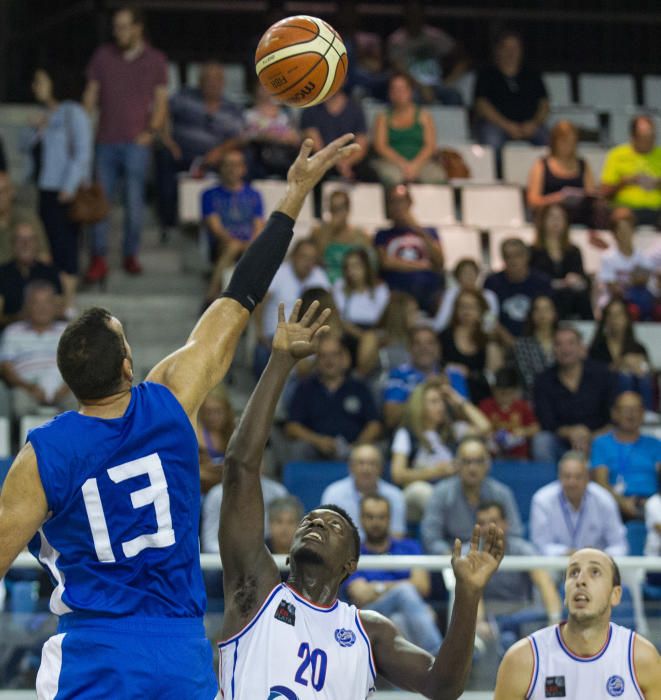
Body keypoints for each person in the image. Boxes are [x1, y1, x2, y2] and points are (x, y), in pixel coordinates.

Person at [0, 133, 362, 697]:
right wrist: (293, 196)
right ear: (127, 365)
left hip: (94, 653)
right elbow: (241, 295)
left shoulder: (43, 453)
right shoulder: (168, 400)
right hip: (178, 654)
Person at [217, 297, 505, 700]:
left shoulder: (368, 631)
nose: (316, 522)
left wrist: (469, 594)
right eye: (310, 520)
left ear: (350, 564)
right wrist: (281, 362)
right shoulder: (258, 591)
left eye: (333, 525)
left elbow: (443, 686)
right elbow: (240, 467)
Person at [493, 548, 661, 699]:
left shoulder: (641, 658)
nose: (580, 580)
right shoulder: (522, 659)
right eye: (573, 573)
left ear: (615, 595)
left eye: (595, 572)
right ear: (565, 593)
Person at [83, 5, 169, 280]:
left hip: (136, 142)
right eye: (115, 26)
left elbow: (161, 101)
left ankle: (130, 254)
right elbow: (91, 95)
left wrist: (151, 132)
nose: (117, 32)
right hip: (105, 141)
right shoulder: (102, 56)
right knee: (100, 204)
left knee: (134, 204)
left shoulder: (156, 59)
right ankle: (98, 258)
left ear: (137, 28)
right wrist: (84, 127)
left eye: (123, 26)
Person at [154, 61, 245, 235]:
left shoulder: (231, 108)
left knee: (242, 158)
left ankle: (237, 216)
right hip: (182, 153)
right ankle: (168, 222)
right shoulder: (184, 97)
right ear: (200, 81)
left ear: (223, 82)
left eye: (216, 79)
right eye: (207, 79)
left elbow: (240, 137)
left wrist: (219, 152)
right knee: (164, 155)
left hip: (217, 156)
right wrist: (167, 139)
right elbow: (162, 111)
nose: (212, 83)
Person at [28, 68, 92, 313]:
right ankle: (55, 301)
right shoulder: (44, 114)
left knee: (66, 245)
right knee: (49, 245)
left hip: (64, 191)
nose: (36, 87)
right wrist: (37, 128)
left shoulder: (72, 112)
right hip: (45, 188)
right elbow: (27, 149)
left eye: (40, 81)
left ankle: (69, 301)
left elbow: (82, 152)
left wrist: (69, 185)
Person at [346, 494, 442, 655]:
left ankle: (415, 673)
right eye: (370, 517)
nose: (376, 523)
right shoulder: (353, 552)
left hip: (407, 615)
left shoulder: (410, 547)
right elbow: (360, 595)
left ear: (389, 519)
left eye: (381, 517)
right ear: (361, 519)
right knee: (406, 592)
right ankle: (438, 654)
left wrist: (377, 587)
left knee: (398, 620)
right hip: (369, 614)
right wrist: (402, 586)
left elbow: (423, 586)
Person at [391, 377, 491, 521]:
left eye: (442, 401)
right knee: (423, 492)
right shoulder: (407, 434)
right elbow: (398, 474)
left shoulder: (452, 431)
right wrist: (436, 472)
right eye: (434, 402)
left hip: (451, 492)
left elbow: (485, 427)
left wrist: (457, 399)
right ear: (419, 405)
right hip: (417, 495)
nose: (441, 406)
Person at [475, 501, 563, 654]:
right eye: (482, 523)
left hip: (522, 613)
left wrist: (555, 621)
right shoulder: (471, 553)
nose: (488, 528)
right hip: (489, 615)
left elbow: (544, 583)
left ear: (505, 524)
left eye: (494, 522)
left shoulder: (523, 549)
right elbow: (473, 593)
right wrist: (479, 622)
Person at [284, 335, 382, 461]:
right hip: (315, 450)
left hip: (354, 449)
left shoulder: (359, 387)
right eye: (323, 356)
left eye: (334, 354)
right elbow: (292, 427)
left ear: (343, 358)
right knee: (299, 449)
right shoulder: (305, 388)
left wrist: (357, 446)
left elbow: (374, 425)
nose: (329, 360)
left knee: (372, 451)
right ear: (316, 360)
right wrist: (318, 441)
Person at [421, 436, 523, 554]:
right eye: (466, 462)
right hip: (451, 561)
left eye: (478, 461)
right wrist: (452, 558)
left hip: (495, 559)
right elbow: (431, 538)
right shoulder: (441, 493)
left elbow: (514, 534)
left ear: (488, 464)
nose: (472, 468)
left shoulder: (502, 493)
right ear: (456, 464)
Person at [533, 325, 618, 463]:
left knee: (615, 436)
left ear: (581, 347)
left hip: (598, 438)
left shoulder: (603, 374)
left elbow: (614, 416)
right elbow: (547, 422)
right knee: (541, 441)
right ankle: (549, 483)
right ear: (553, 349)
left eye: (571, 343)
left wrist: (590, 436)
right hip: (561, 441)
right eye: (559, 344)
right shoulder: (543, 381)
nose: (565, 349)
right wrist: (571, 432)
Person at [254, 238, 330, 378]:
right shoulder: (279, 272)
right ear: (294, 256)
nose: (308, 263)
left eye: (312, 259)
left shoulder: (319, 276)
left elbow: (329, 307)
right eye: (304, 257)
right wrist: (260, 334)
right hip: (274, 336)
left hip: (308, 337)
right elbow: (259, 305)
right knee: (262, 355)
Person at [0, 281, 76, 420]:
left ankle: (75, 441)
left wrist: (65, 389)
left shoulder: (68, 331)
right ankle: (26, 441)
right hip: (25, 388)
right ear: (27, 306)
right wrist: (29, 388)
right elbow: (6, 368)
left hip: (64, 387)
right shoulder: (13, 331)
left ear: (55, 306)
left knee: (80, 400)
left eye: (47, 302)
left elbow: (79, 366)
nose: (42, 308)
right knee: (19, 402)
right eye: (36, 302)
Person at [473, 30, 549, 169]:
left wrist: (534, 123)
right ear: (498, 50)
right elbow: (482, 105)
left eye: (515, 48)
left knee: (549, 140)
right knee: (492, 139)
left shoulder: (532, 74)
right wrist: (507, 125)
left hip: (529, 125)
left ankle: (545, 178)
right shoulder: (487, 74)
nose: (511, 52)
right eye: (506, 48)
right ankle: (497, 177)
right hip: (497, 125)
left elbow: (544, 105)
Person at [530, 451, 628, 556]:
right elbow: (540, 546)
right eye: (567, 476)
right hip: (556, 565)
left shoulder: (604, 499)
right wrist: (567, 553)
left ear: (587, 478)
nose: (572, 482)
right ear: (559, 477)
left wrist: (599, 555)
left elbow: (619, 545)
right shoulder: (542, 500)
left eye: (578, 477)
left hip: (596, 566)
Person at [201, 149, 265, 302]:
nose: (232, 169)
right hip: (221, 245)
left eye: (236, 165)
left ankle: (213, 298)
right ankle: (212, 296)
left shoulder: (254, 194)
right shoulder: (209, 195)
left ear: (244, 168)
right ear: (220, 168)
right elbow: (216, 229)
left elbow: (258, 226)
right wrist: (235, 242)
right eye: (227, 165)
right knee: (233, 246)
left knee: (251, 248)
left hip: (249, 245)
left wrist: (250, 245)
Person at [374, 184, 445, 315]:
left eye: (401, 201)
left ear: (410, 203)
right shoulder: (382, 235)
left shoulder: (429, 232)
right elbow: (386, 263)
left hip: (429, 291)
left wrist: (417, 228)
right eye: (393, 202)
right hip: (397, 290)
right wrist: (422, 265)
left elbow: (439, 262)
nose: (398, 207)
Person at [383, 325, 469, 431]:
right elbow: (391, 419)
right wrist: (424, 389)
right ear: (409, 348)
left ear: (439, 348)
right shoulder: (398, 375)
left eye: (430, 343)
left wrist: (449, 394)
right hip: (412, 435)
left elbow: (467, 418)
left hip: (450, 436)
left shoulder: (453, 375)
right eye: (417, 343)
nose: (424, 348)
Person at [590, 391, 661, 521]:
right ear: (614, 413)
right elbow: (601, 483)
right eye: (626, 409)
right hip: (613, 505)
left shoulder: (655, 444)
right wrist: (622, 503)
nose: (631, 414)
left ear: (643, 413)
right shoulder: (602, 443)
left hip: (651, 505)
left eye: (636, 409)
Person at [371, 73, 446, 186]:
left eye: (402, 89)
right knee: (392, 177)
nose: (398, 93)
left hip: (421, 162)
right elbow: (381, 147)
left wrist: (415, 165)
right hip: (391, 163)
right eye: (394, 89)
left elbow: (430, 146)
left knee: (436, 177)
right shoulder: (382, 118)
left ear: (410, 91)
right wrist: (403, 164)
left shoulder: (424, 116)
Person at [386, 0, 466, 105]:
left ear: (423, 14)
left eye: (417, 13)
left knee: (454, 97)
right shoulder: (396, 40)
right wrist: (421, 86)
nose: (414, 17)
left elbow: (463, 59)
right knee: (409, 98)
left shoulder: (435, 36)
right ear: (405, 15)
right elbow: (397, 67)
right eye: (411, 13)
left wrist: (449, 81)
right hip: (411, 86)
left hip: (436, 84)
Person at [200, 459, 287, 554]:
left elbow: (285, 535)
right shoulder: (216, 495)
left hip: (269, 555)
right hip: (226, 560)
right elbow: (209, 543)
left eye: (258, 459)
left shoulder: (278, 492)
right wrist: (239, 556)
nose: (253, 466)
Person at [321, 444, 406, 539]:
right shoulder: (334, 494)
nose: (366, 469)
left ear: (381, 468)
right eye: (361, 463)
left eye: (372, 464)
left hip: (384, 552)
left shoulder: (395, 495)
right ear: (351, 467)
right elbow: (328, 536)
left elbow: (397, 535)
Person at [528, 203, 593, 320]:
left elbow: (582, 278)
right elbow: (533, 280)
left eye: (560, 218)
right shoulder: (533, 251)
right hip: (545, 295)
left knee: (580, 295)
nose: (556, 222)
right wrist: (560, 283)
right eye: (551, 217)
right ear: (542, 221)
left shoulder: (574, 251)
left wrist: (576, 280)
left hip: (570, 296)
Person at [527, 120, 597, 225]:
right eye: (564, 142)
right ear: (554, 142)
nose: (568, 147)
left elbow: (591, 194)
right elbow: (533, 201)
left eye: (572, 142)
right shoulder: (541, 165)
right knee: (556, 213)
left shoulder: (583, 164)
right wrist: (558, 198)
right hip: (551, 214)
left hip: (579, 214)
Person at [589, 298, 654, 409]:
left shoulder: (637, 348)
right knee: (625, 377)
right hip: (607, 394)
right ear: (605, 320)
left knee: (643, 377)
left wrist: (641, 367)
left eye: (619, 314)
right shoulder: (597, 348)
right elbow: (591, 374)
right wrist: (619, 364)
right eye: (611, 315)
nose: (615, 319)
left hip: (637, 392)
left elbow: (650, 373)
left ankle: (647, 415)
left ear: (627, 319)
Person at [332, 247, 389, 376]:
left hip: (374, 334)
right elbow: (339, 319)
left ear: (366, 266)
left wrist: (367, 337)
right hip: (348, 333)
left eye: (356, 265)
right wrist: (362, 336)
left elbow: (383, 320)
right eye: (348, 267)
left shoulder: (380, 289)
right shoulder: (340, 286)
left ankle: (359, 376)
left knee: (371, 339)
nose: (351, 271)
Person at [484, 237, 553, 341]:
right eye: (508, 257)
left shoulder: (542, 281)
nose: (513, 261)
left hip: (537, 340)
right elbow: (488, 315)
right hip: (502, 340)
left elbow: (550, 314)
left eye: (517, 256)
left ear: (527, 256)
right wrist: (506, 338)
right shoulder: (492, 282)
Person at [600, 114, 661, 227]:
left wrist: (658, 184)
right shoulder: (617, 155)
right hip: (627, 208)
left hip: (658, 209)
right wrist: (624, 183)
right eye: (644, 138)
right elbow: (604, 192)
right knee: (621, 219)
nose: (649, 142)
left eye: (651, 137)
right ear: (633, 137)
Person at [0, 221, 62, 328]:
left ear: (37, 243)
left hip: (46, 333)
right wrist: (22, 318)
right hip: (9, 333)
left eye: (30, 239)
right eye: (20, 239)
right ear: (12, 244)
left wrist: (38, 319)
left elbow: (59, 310)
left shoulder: (50, 272)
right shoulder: (2, 273)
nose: (25, 244)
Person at [440, 289, 498, 402]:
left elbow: (493, 377)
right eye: (462, 306)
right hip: (450, 395)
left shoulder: (488, 339)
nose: (467, 311)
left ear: (482, 310)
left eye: (472, 307)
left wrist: (490, 337)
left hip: (481, 397)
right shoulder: (444, 336)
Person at [598, 207, 655, 319]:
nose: (625, 234)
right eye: (621, 230)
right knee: (630, 309)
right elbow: (612, 288)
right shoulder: (608, 257)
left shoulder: (642, 256)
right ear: (614, 234)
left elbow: (645, 281)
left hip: (638, 300)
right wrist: (634, 280)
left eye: (627, 229)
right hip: (614, 301)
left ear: (633, 231)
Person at [311, 189, 371, 284]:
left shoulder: (361, 236)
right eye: (332, 209)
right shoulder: (318, 232)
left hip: (352, 285)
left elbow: (369, 267)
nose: (335, 214)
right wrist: (329, 233)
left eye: (339, 209)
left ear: (348, 210)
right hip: (325, 283)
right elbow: (316, 261)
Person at [479, 367, 539, 460]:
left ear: (515, 391)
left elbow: (536, 427)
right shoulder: (486, 406)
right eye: (501, 393)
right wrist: (488, 434)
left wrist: (523, 432)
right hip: (492, 455)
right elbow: (477, 426)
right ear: (494, 390)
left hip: (518, 456)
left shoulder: (522, 406)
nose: (504, 398)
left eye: (508, 393)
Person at [243, 84, 301, 179]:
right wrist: (269, 137)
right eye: (262, 86)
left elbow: (295, 138)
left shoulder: (285, 114)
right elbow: (245, 137)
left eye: (268, 86)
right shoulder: (249, 115)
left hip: (284, 157)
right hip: (259, 158)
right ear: (256, 90)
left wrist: (276, 137)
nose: (265, 90)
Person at [432, 258, 499, 334]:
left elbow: (492, 320)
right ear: (457, 277)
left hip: (482, 335)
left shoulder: (489, 295)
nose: (469, 276)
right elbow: (442, 320)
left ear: (477, 274)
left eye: (471, 272)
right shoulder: (451, 294)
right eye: (464, 273)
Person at [512, 294, 558, 398]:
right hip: (534, 398)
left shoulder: (563, 341)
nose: (542, 314)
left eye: (546, 309)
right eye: (537, 310)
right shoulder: (522, 344)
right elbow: (528, 378)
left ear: (554, 313)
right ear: (532, 315)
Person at [0, 171, 50, 265]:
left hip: (23, 275)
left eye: (2, 192)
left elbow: (44, 256)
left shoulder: (27, 218)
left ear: (11, 192)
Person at [196, 384, 235, 493]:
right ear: (202, 412)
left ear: (227, 411)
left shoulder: (235, 433)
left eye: (218, 411)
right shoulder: (196, 435)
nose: (213, 417)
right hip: (204, 490)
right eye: (208, 412)